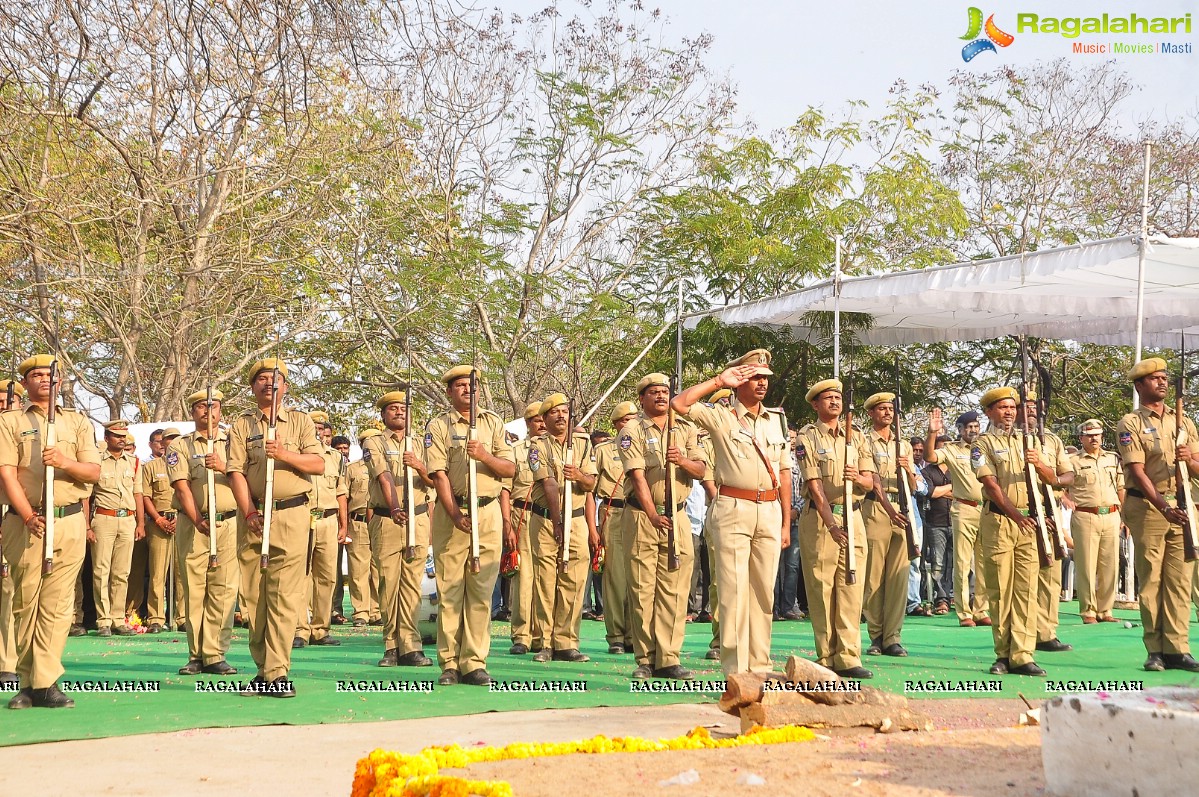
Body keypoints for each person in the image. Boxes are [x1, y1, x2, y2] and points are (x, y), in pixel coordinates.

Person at [671, 350, 791, 676]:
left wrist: (786, 522)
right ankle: (737, 672)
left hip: (769, 509)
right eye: (754, 377)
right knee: (733, 592)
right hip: (732, 508)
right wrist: (717, 382)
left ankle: (761, 666)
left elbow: (784, 472)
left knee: (763, 593)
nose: (762, 383)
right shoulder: (721, 415)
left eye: (765, 378)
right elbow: (680, 404)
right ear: (739, 379)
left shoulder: (777, 419)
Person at [1, 354, 102, 708]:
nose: (45, 380)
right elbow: (7, 473)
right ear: (25, 383)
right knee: (26, 603)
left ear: (60, 383)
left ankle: (44, 683)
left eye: (51, 375)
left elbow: (92, 472)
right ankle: (29, 681)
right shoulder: (10, 421)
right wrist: (29, 516)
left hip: (70, 520)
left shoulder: (77, 423)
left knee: (58, 606)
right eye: (37, 375)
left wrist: (64, 462)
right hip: (26, 522)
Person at [226, 358, 325, 697]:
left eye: (276, 378)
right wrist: (250, 513)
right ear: (253, 387)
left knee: (284, 597)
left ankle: (278, 672)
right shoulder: (242, 425)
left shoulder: (300, 422)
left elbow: (318, 463)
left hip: (292, 515)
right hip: (255, 518)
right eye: (262, 379)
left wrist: (284, 454)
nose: (270, 383)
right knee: (253, 597)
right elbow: (235, 471)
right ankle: (263, 669)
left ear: (286, 386)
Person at [424, 365, 516, 686]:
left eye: (472, 386)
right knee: (450, 592)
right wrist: (453, 514)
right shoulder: (438, 426)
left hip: (487, 513)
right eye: (460, 386)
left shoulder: (493, 423)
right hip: (454, 514)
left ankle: (474, 661)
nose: (468, 391)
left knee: (480, 591)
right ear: (450, 392)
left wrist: (484, 455)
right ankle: (449, 662)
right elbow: (438, 475)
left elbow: (509, 468)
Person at [619, 373, 707, 680]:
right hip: (644, 516)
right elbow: (637, 476)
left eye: (664, 391)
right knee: (643, 589)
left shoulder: (685, 428)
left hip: (678, 516)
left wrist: (682, 461)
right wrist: (652, 514)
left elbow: (701, 469)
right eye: (653, 392)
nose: (660, 396)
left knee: (675, 589)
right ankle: (646, 658)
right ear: (642, 398)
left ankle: (669, 657)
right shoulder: (632, 430)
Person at [1116, 358, 1199, 672]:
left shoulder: (1184, 422)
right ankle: (1155, 649)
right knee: (1151, 577)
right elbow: (1137, 472)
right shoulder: (1131, 423)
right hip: (1150, 506)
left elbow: (1197, 467)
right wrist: (1164, 507)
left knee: (1179, 579)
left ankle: (1178, 648)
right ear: (1140, 386)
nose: (1162, 383)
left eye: (1165, 378)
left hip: (1182, 506)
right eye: (1154, 379)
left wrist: (1188, 459)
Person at [973, 386, 1062, 676]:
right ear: (989, 412)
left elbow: (1055, 480)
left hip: (1030, 521)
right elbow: (990, 484)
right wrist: (1015, 515)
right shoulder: (982, 443)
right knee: (1001, 589)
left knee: (1026, 589)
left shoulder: (1031, 442)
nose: (1009, 412)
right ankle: (1003, 653)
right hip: (1000, 521)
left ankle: (1022, 654)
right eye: (1002, 407)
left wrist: (1038, 463)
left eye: (1012, 407)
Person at [792, 377, 871, 678]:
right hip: (821, 518)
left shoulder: (857, 436)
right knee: (822, 589)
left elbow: (869, 480)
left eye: (838, 397)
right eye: (828, 398)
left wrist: (859, 478)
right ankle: (826, 656)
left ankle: (849, 656)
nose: (835, 402)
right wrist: (831, 524)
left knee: (851, 587)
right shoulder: (807, 438)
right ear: (815, 404)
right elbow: (814, 486)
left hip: (853, 515)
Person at [361, 390, 436, 669]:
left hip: (417, 518)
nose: (399, 412)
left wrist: (418, 464)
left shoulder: (421, 443)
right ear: (383, 415)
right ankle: (391, 645)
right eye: (392, 409)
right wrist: (394, 507)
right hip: (387, 518)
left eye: (403, 408)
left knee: (411, 587)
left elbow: (433, 480)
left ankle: (411, 646)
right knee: (389, 584)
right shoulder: (374, 441)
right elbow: (383, 476)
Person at [168, 389, 239, 676]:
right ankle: (195, 654)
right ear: (192, 411)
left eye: (213, 406)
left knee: (224, 590)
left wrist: (224, 466)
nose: (207, 411)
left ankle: (215, 653)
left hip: (229, 523)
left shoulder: (234, 442)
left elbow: (246, 478)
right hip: (194, 524)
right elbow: (181, 486)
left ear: (220, 410)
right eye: (200, 406)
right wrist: (197, 518)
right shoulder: (180, 446)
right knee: (195, 589)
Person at [527, 393, 598, 662]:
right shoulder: (537, 446)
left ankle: (566, 641)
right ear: (544, 419)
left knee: (574, 579)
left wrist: (577, 475)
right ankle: (544, 642)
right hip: (547, 519)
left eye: (565, 411)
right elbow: (549, 484)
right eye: (554, 412)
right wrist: (558, 522)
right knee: (546, 581)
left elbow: (591, 484)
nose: (560, 416)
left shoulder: (581, 444)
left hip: (577, 519)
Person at [861, 392, 916, 658]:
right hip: (876, 508)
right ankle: (876, 634)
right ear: (871, 413)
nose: (887, 413)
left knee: (898, 576)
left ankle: (893, 636)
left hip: (902, 506)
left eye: (890, 409)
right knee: (874, 576)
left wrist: (907, 469)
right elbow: (873, 481)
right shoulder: (865, 441)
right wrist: (889, 510)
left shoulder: (903, 445)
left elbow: (916, 486)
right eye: (881, 409)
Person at [1020, 391, 1074, 655]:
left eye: (1034, 405)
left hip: (1050, 510)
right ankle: (1024, 634)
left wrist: (1046, 472)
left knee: (1051, 576)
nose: (1031, 410)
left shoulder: (1052, 440)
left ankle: (1046, 632)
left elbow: (1068, 476)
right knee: (1025, 579)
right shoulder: (1005, 440)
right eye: (1026, 405)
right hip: (1023, 514)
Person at [926, 410, 991, 628]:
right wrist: (932, 433)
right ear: (960, 430)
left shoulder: (986, 448)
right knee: (963, 563)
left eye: (976, 426)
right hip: (964, 509)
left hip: (988, 509)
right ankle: (965, 613)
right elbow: (930, 457)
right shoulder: (952, 450)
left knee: (984, 563)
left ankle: (981, 610)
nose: (973, 430)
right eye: (968, 427)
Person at [293, 411, 347, 648]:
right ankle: (299, 629)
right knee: (299, 576)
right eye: (312, 426)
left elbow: (341, 492)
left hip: (328, 518)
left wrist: (344, 524)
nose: (316, 430)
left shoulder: (335, 457)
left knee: (326, 576)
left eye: (320, 427)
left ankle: (321, 629)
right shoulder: (295, 454)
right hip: (301, 516)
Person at [88, 420, 145, 636]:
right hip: (104, 518)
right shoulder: (96, 462)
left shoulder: (134, 462)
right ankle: (103, 620)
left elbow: (138, 493)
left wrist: (140, 523)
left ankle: (118, 619)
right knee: (101, 571)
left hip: (128, 519)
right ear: (107, 437)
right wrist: (87, 526)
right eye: (117, 435)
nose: (122, 439)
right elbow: (87, 495)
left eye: (124, 436)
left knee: (122, 572)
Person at [1067, 419, 1123, 624]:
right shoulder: (1072, 461)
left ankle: (1106, 609)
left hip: (1111, 514)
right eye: (1089, 435)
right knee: (1087, 565)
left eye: (1097, 434)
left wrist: (1124, 515)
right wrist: (1066, 500)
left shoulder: (1112, 458)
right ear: (1081, 438)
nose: (1094, 438)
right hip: (1085, 515)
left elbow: (1121, 486)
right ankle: (1088, 610)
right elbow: (1059, 486)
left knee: (1110, 564)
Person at [595, 400, 638, 654]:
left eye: (634, 418)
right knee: (616, 577)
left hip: (640, 512)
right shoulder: (603, 450)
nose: (631, 423)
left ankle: (635, 635)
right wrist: (595, 527)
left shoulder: (645, 444)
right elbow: (591, 491)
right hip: (614, 511)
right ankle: (617, 636)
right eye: (625, 420)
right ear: (615, 424)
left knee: (638, 576)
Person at [503, 401, 544, 655]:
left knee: (546, 578)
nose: (542, 424)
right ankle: (522, 636)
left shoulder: (558, 449)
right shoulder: (517, 451)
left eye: (544, 419)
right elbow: (505, 490)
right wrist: (507, 524)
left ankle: (543, 635)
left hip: (550, 519)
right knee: (524, 576)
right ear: (528, 424)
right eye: (537, 420)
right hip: (522, 515)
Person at [0, 379, 25, 686]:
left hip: (12, 515)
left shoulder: (27, 436)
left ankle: (8, 661)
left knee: (9, 591)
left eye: (8, 403)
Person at [344, 433, 380, 627]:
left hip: (381, 520)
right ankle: (361, 612)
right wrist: (344, 525)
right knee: (358, 569)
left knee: (379, 568)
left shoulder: (385, 465)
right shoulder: (352, 469)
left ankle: (376, 611)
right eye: (366, 443)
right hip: (358, 523)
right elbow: (343, 497)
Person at [921, 436, 954, 614]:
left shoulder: (957, 468)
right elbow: (931, 492)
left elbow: (963, 492)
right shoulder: (928, 471)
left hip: (956, 520)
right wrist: (951, 488)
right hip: (936, 522)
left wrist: (944, 490)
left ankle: (963, 598)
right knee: (938, 563)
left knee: (960, 562)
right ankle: (942, 599)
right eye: (940, 449)